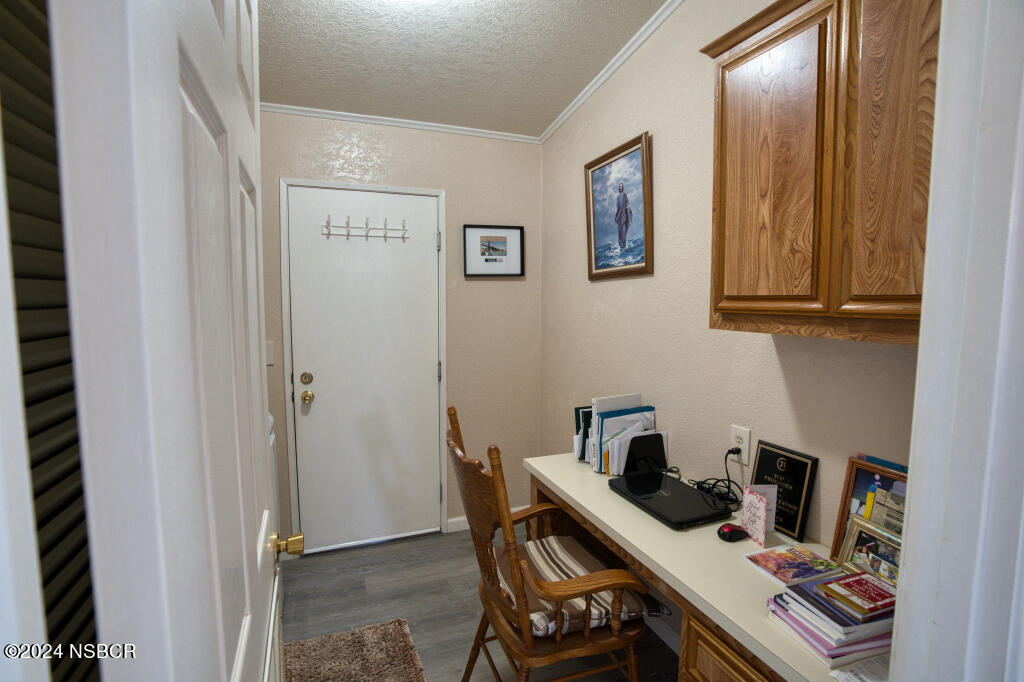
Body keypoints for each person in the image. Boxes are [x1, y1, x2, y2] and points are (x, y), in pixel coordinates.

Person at [614, 182, 632, 249]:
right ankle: (620, 243)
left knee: (624, 228)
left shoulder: (625, 195)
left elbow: (627, 203)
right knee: (620, 229)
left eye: (622, 186)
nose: (621, 188)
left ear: (623, 188)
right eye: (620, 186)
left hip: (624, 214)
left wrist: (628, 212)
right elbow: (617, 206)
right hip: (619, 215)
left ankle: (624, 243)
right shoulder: (618, 197)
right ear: (619, 188)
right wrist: (615, 214)